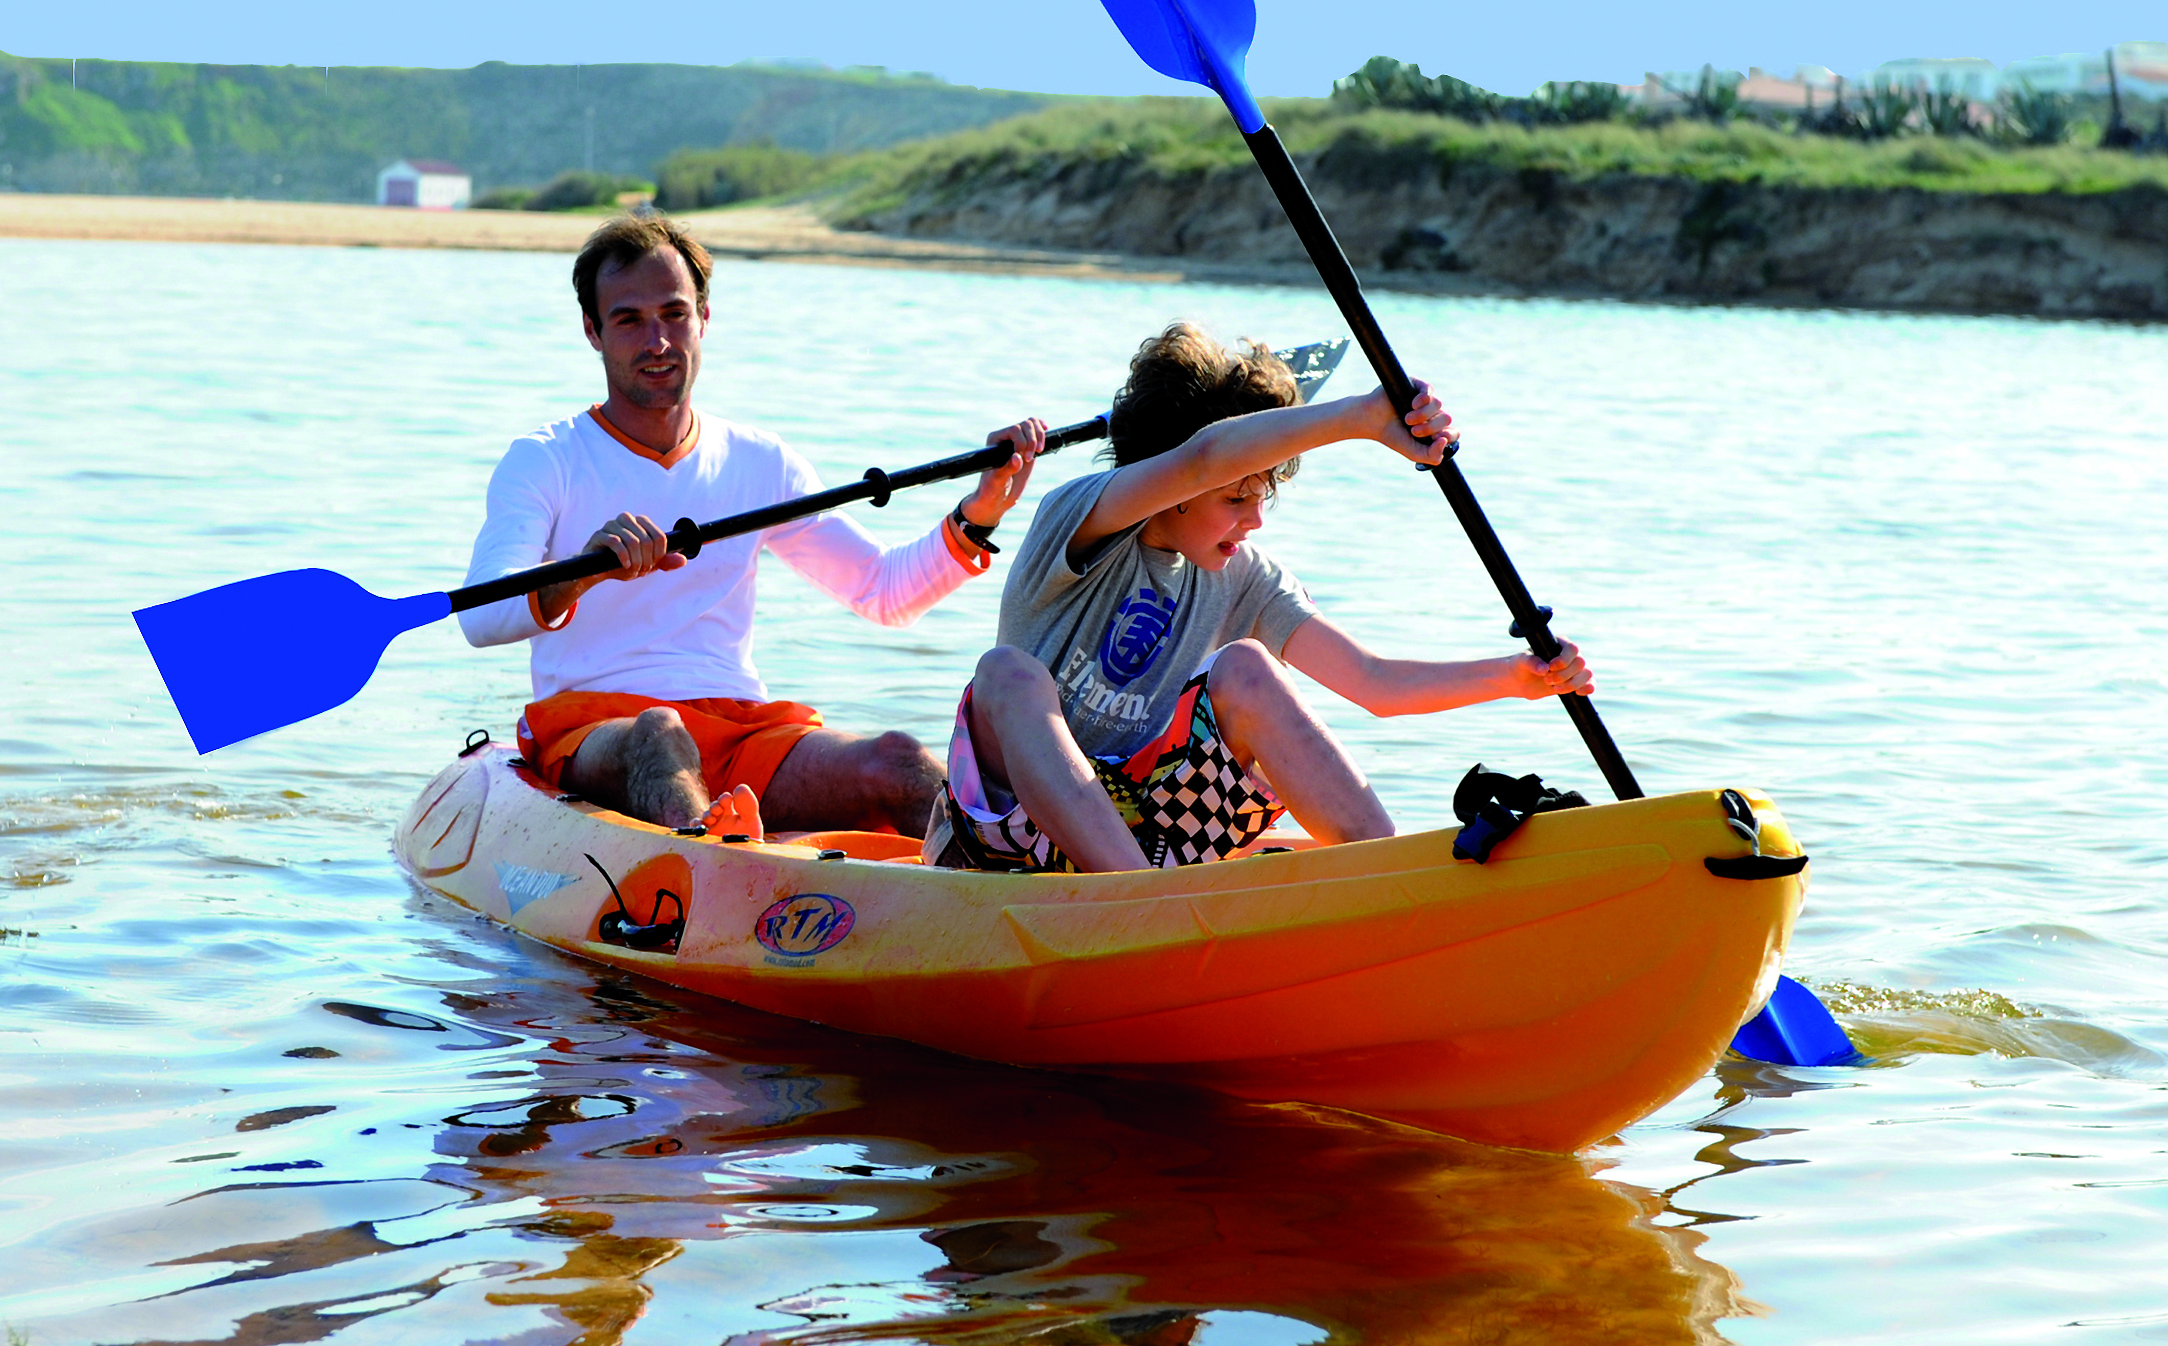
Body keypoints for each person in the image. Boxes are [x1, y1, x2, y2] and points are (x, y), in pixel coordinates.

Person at [925, 322, 1593, 873]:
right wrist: (1362, 417)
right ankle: (1139, 906)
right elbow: (1200, 458)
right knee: (1005, 676)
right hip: (1002, 838)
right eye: (1237, 498)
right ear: (1174, 491)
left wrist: (1517, 678)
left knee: (1246, 666)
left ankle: (1393, 880)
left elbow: (1374, 682)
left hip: (1149, 831)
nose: (1255, 520)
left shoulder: (1242, 576)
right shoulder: (1077, 516)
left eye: (1263, 496)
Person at [458, 215, 1048, 838]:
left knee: (899, 759)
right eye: (629, 319)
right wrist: (579, 574)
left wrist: (982, 510)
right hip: (595, 728)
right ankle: (717, 866)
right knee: (661, 735)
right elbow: (481, 616)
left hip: (744, 729)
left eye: (675, 313)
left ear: (704, 319)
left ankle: (1009, 878)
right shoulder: (545, 459)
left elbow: (883, 591)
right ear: (592, 331)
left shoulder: (760, 460)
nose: (658, 340)